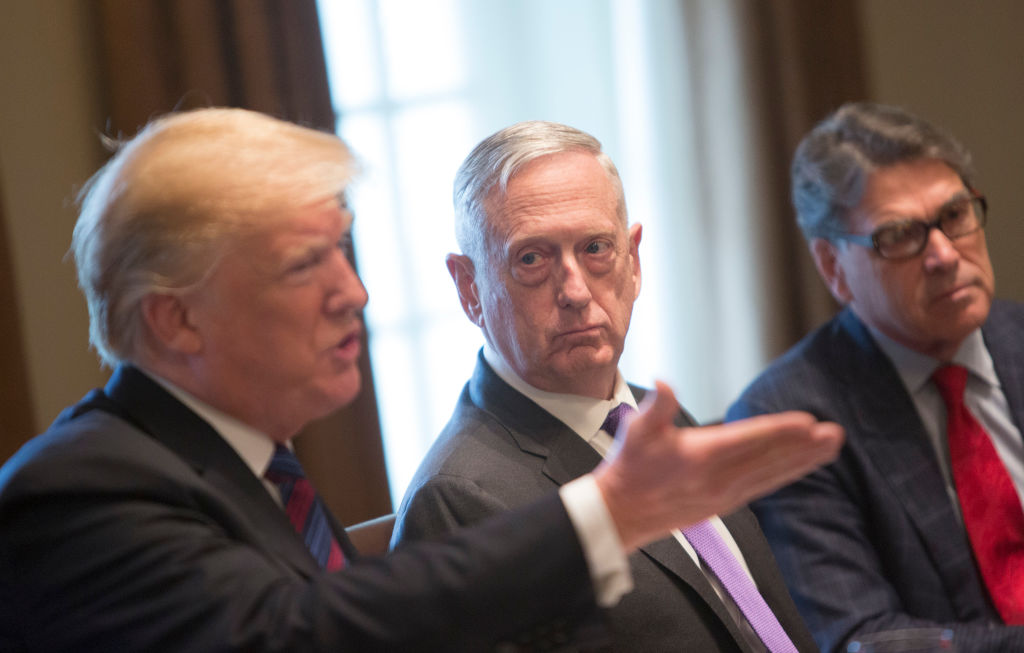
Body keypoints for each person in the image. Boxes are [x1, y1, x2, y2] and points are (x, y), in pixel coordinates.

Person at [0, 108, 842, 652]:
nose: (353, 292)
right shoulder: (76, 491)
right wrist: (608, 512)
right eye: (304, 264)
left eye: (343, 250)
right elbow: (301, 634)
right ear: (175, 319)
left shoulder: (261, 474)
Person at [392, 120, 831, 652]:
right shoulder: (458, 500)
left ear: (634, 259)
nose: (575, 291)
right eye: (532, 259)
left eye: (596, 248)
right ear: (470, 289)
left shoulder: (650, 416)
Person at [727, 102, 1024, 652]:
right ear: (833, 268)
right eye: (900, 235)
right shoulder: (786, 422)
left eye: (955, 215)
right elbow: (859, 640)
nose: (943, 254)